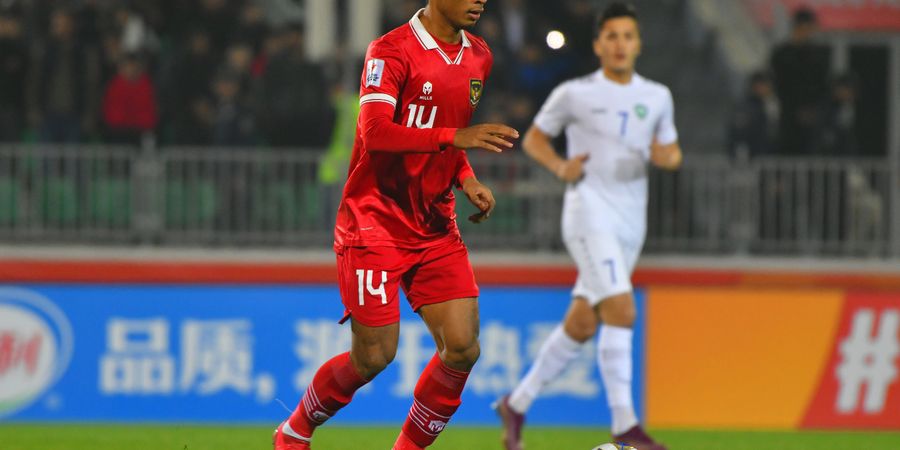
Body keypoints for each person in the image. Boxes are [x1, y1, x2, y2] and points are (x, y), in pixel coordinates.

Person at [272, 1, 519, 449]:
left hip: (435, 223)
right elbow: (376, 132)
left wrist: (466, 179)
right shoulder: (391, 51)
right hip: (375, 222)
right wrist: (452, 137)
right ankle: (294, 431)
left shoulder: (479, 54)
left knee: (463, 348)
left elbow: (448, 131)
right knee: (374, 357)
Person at [495, 3, 680, 450]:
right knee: (622, 308)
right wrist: (561, 168)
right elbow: (534, 139)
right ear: (598, 44)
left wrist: (665, 157)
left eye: (627, 36)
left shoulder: (657, 96)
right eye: (611, 36)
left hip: (631, 222)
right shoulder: (574, 93)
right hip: (587, 213)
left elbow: (673, 152)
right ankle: (624, 424)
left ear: (638, 43)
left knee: (581, 323)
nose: (620, 45)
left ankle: (516, 404)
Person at [769, 7, 830, 156]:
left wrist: (812, 108)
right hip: (788, 117)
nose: (811, 32)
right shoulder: (782, 54)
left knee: (810, 156)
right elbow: (778, 84)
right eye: (808, 27)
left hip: (812, 117)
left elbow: (823, 85)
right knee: (787, 157)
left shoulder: (818, 55)